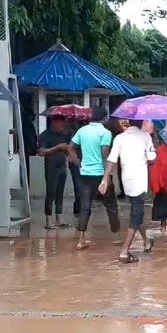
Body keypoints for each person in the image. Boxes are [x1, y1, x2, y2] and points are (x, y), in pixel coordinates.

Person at [99, 120, 157, 263]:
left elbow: (111, 160)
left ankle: (147, 242)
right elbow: (152, 159)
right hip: (140, 181)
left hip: (127, 181)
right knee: (136, 214)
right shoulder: (145, 137)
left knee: (136, 211)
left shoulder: (120, 138)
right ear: (141, 123)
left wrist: (105, 179)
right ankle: (124, 251)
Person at [67, 107, 119, 250]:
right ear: (104, 119)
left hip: (85, 174)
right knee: (111, 206)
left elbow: (70, 147)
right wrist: (107, 175)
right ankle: (117, 236)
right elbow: (104, 154)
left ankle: (81, 240)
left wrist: (77, 161)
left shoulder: (82, 131)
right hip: (101, 173)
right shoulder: (105, 133)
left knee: (85, 206)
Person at [37, 115, 71, 229]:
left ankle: (59, 219)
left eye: (63, 124)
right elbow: (41, 152)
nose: (61, 126)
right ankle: (48, 219)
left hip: (62, 165)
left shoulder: (63, 135)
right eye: (59, 124)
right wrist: (56, 148)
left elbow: (67, 149)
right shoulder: (45, 135)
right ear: (53, 122)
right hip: (51, 166)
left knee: (60, 193)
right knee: (51, 192)